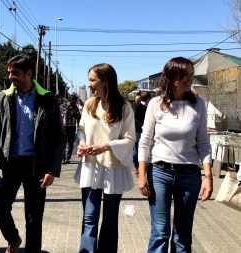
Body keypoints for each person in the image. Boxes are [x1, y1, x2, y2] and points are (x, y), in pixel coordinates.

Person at [0, 54, 66, 253]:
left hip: (36, 167)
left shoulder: (47, 100)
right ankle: (13, 238)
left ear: (28, 74)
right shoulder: (2, 98)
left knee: (34, 217)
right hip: (8, 164)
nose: (11, 77)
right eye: (9, 73)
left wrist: (52, 170)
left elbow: (59, 137)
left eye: (15, 73)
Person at [138, 57, 212, 253]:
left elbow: (204, 144)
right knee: (160, 231)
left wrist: (208, 177)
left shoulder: (198, 105)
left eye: (191, 74)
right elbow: (144, 142)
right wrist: (142, 175)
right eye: (185, 74)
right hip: (159, 173)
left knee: (182, 234)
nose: (190, 79)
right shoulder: (155, 104)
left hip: (190, 176)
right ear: (172, 77)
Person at [74, 63, 135, 252]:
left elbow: (130, 139)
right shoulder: (89, 104)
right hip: (91, 167)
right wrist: (82, 142)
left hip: (113, 169)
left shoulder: (124, 107)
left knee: (109, 219)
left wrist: (106, 146)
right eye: (89, 80)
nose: (89, 84)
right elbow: (81, 129)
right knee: (89, 218)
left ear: (106, 81)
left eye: (93, 80)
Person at [132, 91, 152, 174]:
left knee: (146, 150)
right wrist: (141, 126)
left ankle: (143, 167)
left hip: (147, 132)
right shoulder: (138, 107)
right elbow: (134, 118)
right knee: (136, 150)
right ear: (148, 98)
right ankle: (136, 166)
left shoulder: (150, 107)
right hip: (138, 131)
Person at [60, 95, 81, 164]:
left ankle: (67, 158)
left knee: (70, 143)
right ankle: (62, 158)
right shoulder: (63, 106)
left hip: (72, 127)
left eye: (75, 101)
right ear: (70, 100)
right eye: (74, 101)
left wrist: (75, 114)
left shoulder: (76, 108)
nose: (75, 102)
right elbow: (58, 116)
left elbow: (79, 118)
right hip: (64, 127)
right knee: (63, 143)